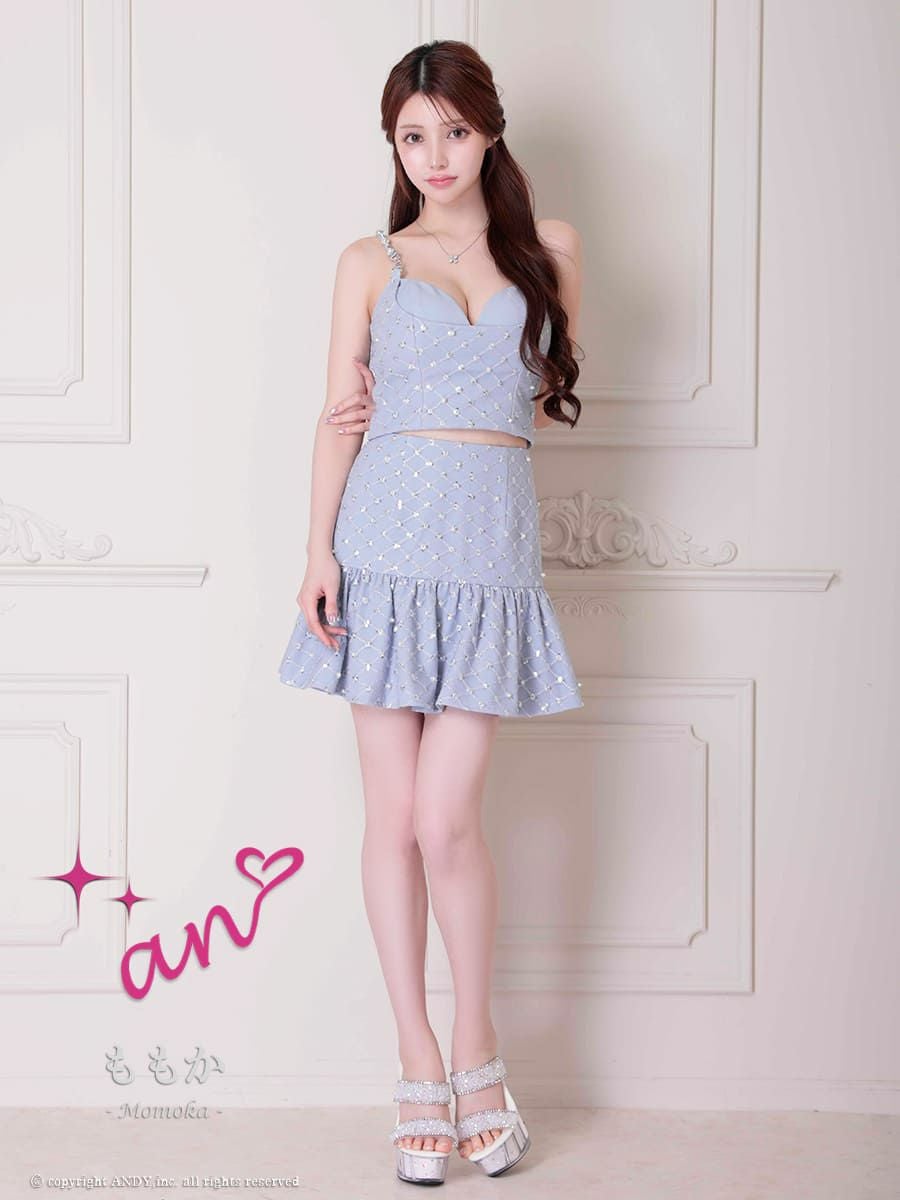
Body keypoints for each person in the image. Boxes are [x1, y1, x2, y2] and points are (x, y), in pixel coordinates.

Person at [278, 39, 584, 1185]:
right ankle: (416, 1056)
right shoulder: (369, 261)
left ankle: (476, 1049)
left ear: (488, 129)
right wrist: (318, 551)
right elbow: (338, 418)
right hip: (381, 553)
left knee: (450, 819)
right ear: (394, 147)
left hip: (489, 560)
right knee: (397, 817)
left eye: (454, 130)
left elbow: (535, 399)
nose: (437, 154)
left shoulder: (551, 251)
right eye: (414, 136)